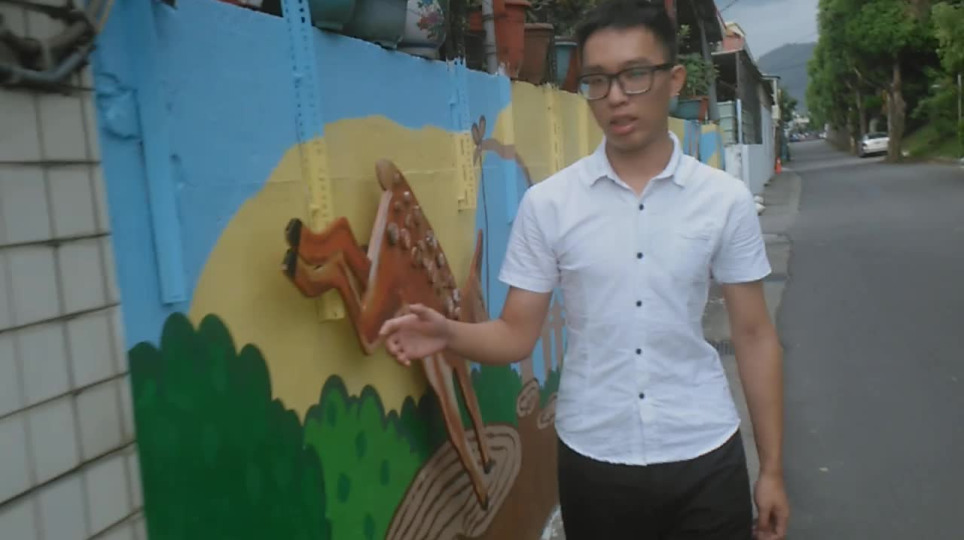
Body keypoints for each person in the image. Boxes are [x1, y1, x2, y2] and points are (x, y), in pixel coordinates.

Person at [379, 1, 790, 538]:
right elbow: (515, 334)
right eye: (597, 80)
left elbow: (755, 336)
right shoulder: (550, 205)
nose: (616, 96)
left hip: (704, 453)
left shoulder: (723, 199)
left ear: (673, 80)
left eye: (635, 74)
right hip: (595, 461)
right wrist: (447, 332)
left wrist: (772, 470)